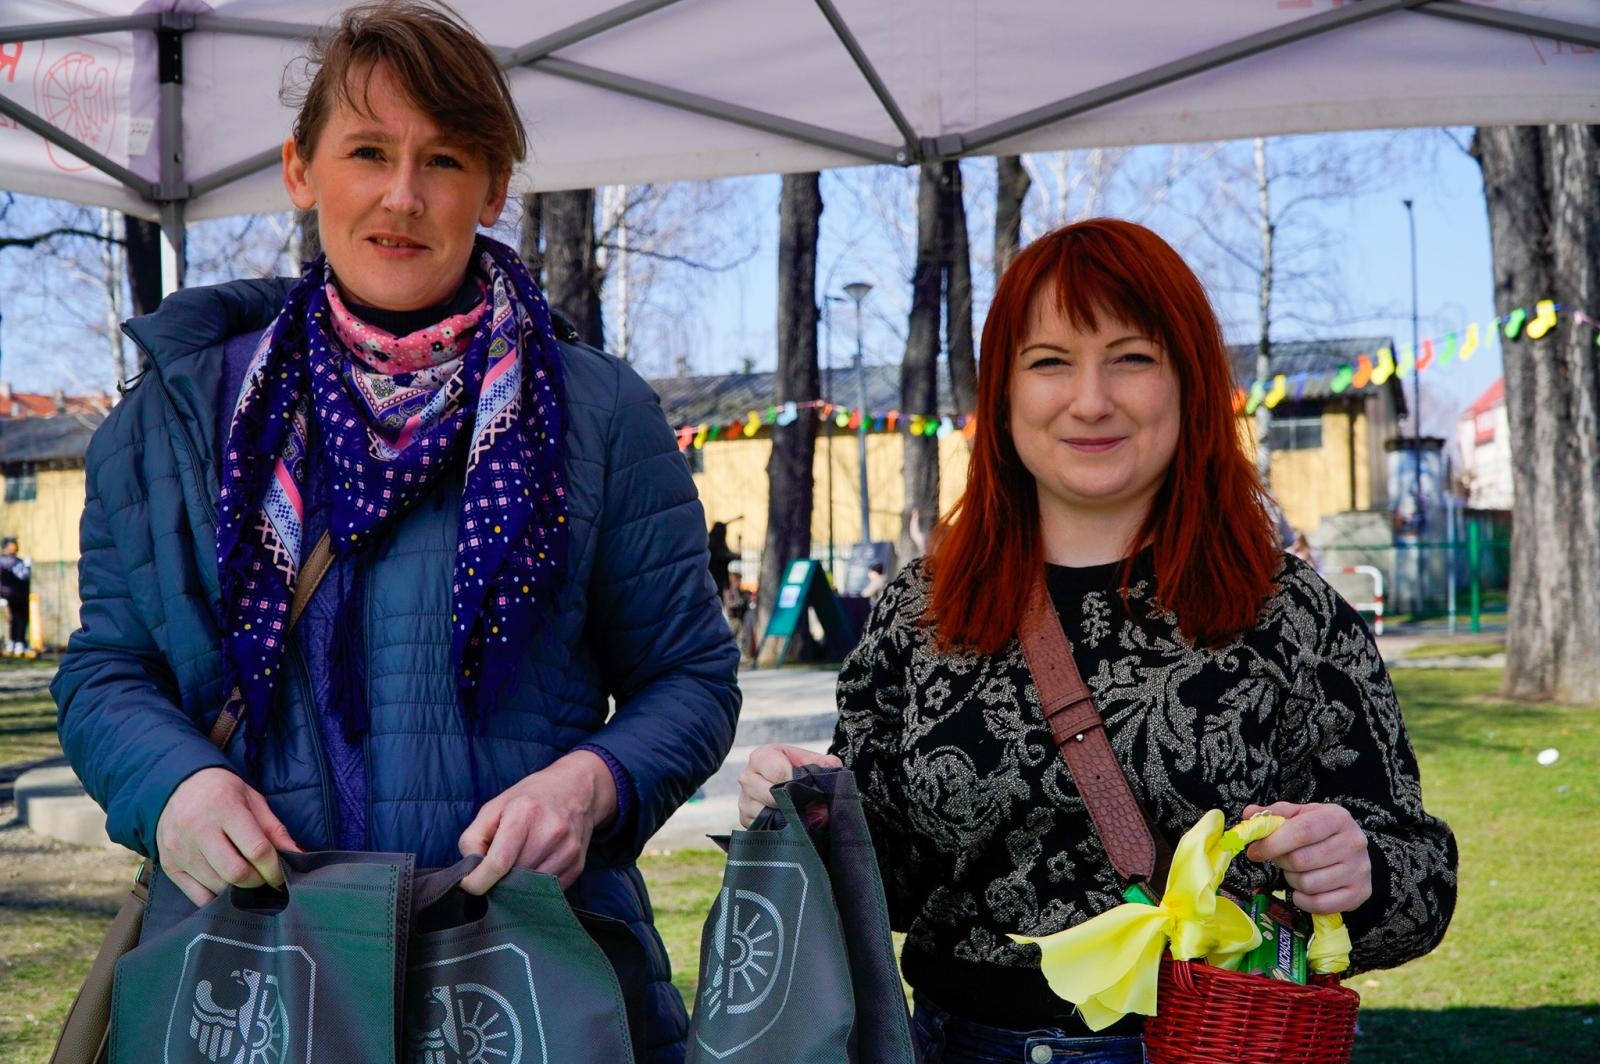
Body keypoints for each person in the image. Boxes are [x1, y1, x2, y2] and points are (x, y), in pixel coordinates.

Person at [51, 5, 739, 1060]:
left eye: (446, 160)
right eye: (366, 152)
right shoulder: (179, 419)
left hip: (522, 981)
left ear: (494, 188)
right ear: (300, 168)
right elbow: (107, 670)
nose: (402, 196)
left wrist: (593, 784)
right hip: (254, 974)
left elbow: (690, 675)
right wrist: (172, 785)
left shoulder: (598, 414)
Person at [738, 219, 1456, 1063]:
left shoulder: (1287, 613)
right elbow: (889, 877)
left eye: (1132, 357)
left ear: (1188, 382)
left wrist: (1358, 870)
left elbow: (1422, 879)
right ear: (1002, 394)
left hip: (1204, 1047)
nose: (1090, 399)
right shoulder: (921, 611)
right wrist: (808, 814)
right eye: (1049, 362)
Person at [0, 536, 31, 655]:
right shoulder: (14, 561)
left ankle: (15, 641)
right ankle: (18, 642)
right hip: (16, 595)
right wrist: (27, 566)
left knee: (15, 618)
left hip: (12, 595)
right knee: (19, 618)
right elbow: (23, 576)